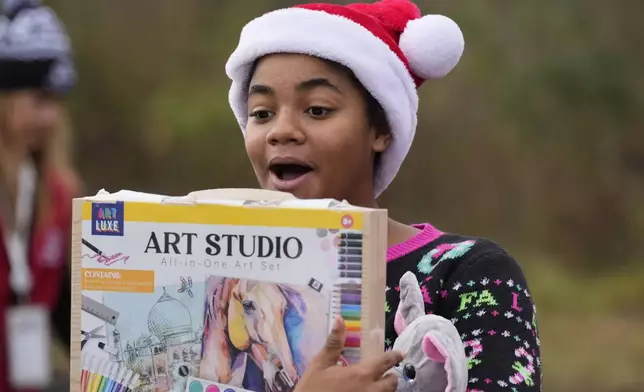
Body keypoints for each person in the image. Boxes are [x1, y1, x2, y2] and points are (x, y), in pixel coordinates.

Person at [224, 0, 542, 391]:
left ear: (380, 130)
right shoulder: (233, 283)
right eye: (261, 113)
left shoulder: (469, 274)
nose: (281, 131)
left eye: (318, 110)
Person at [0, 0, 79, 390]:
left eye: (56, 103)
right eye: (38, 100)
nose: (50, 118)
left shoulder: (57, 196)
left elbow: (70, 315)